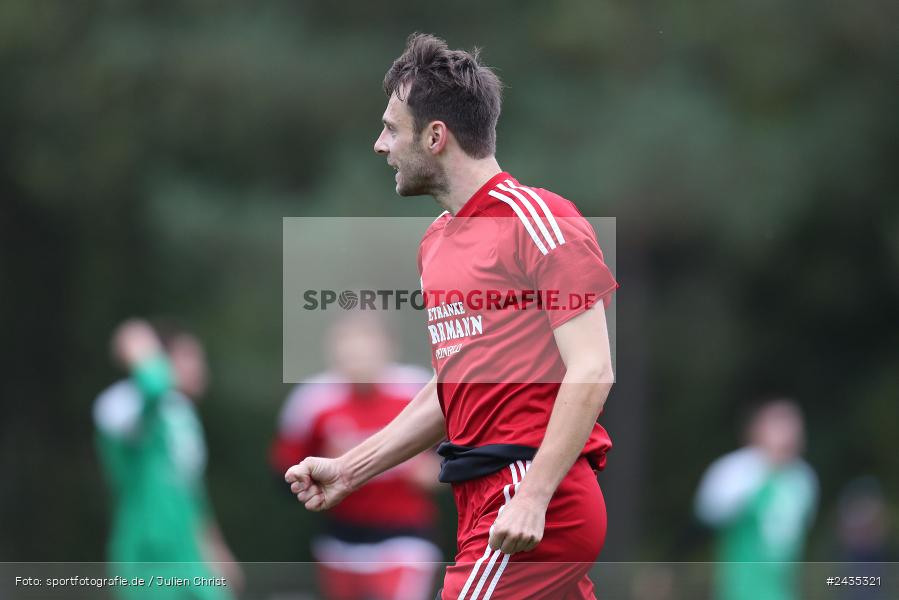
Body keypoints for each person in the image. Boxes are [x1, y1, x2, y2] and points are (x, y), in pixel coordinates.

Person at [285, 33, 618, 599]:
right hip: (484, 499)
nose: (379, 145)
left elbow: (592, 369)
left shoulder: (539, 221)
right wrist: (350, 469)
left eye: (391, 129)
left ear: (435, 137)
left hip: (527, 491)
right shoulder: (436, 242)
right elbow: (452, 389)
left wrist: (534, 495)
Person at [271, 314, 442, 600]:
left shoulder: (416, 391)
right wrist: (316, 470)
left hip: (404, 536)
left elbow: (459, 452)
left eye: (367, 345)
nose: (359, 356)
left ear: (389, 347)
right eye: (350, 346)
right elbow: (282, 474)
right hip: (340, 541)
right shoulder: (311, 401)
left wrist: (434, 473)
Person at [93, 319, 242, 599]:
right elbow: (153, 388)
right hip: (146, 553)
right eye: (188, 357)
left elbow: (191, 492)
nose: (199, 367)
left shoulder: (181, 414)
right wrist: (141, 349)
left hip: (189, 552)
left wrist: (215, 548)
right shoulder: (122, 402)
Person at [694, 399, 818, 600]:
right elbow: (704, 522)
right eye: (779, 425)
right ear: (758, 430)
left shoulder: (803, 479)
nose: (788, 435)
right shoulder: (736, 472)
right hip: (738, 592)